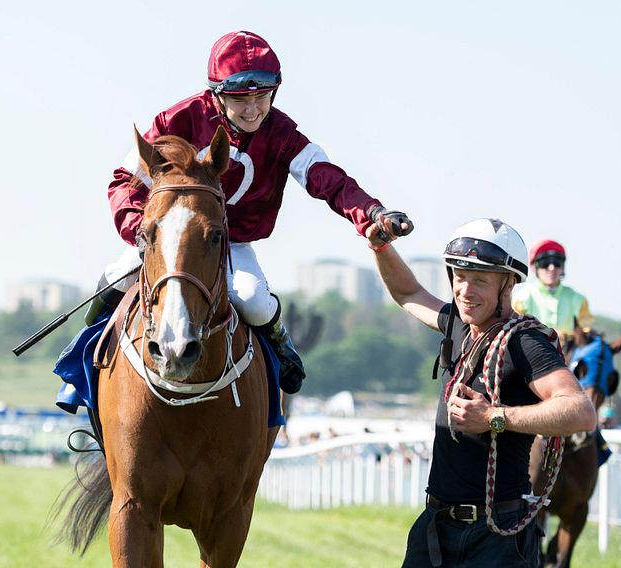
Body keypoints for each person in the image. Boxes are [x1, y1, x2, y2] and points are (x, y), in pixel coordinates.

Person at [87, 31, 413, 394]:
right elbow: (123, 181)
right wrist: (142, 232)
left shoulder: (282, 133)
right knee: (119, 276)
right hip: (168, 241)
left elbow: (328, 179)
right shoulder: (176, 121)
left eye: (263, 96)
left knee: (255, 302)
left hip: (232, 244)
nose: (254, 109)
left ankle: (280, 351)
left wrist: (371, 211)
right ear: (216, 93)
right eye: (241, 99)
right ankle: (82, 363)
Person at [366, 217, 596, 567]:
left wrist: (494, 417)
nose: (465, 291)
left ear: (508, 285)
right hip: (435, 530)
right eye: (459, 277)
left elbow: (580, 411)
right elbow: (408, 292)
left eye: (479, 281)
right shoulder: (459, 323)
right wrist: (381, 246)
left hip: (498, 538)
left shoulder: (525, 341)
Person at [512, 239, 594, 341]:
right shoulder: (519, 299)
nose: (552, 268)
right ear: (534, 267)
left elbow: (586, 332)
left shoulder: (579, 300)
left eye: (557, 262)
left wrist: (566, 336)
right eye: (545, 262)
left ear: (563, 267)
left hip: (567, 354)